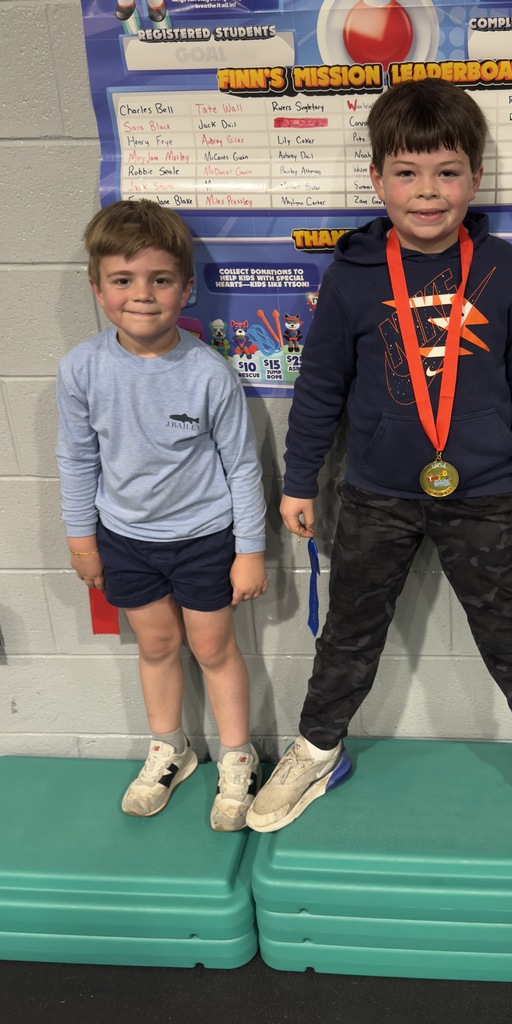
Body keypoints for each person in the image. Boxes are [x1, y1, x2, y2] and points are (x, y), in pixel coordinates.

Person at [246, 79, 512, 864]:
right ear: (377, 180)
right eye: (406, 172)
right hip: (376, 492)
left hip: (485, 491)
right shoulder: (352, 275)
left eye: (446, 171)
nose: (427, 191)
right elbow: (320, 388)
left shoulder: (504, 271)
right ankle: (317, 749)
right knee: (349, 631)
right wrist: (299, 479)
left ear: (474, 178)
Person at [56, 200, 267, 831]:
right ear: (97, 288)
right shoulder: (81, 369)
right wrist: (82, 542)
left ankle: (237, 756)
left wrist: (249, 550)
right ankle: (170, 749)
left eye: (160, 279)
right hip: (124, 540)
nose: (142, 294)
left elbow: (243, 467)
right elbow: (76, 459)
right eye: (123, 279)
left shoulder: (209, 373)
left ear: (186, 287)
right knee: (156, 644)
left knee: (212, 646)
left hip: (205, 539)